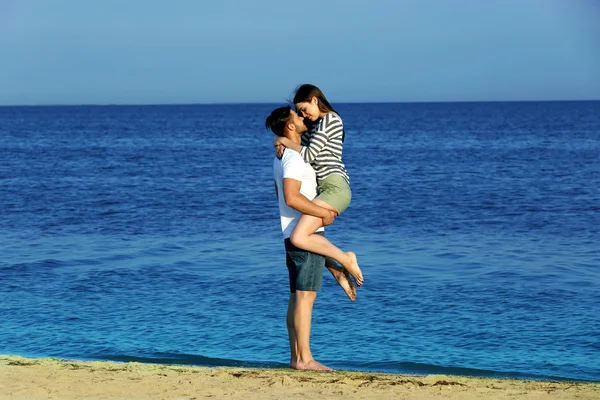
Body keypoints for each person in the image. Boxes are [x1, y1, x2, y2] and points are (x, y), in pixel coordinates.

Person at [266, 105, 351, 371]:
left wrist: (279, 140)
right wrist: (322, 213)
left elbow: (279, 196)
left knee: (296, 297)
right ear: (290, 126)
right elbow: (291, 197)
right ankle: (305, 359)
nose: (303, 118)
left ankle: (296, 358)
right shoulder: (292, 159)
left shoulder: (283, 156)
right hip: (302, 236)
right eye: (298, 116)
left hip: (291, 236)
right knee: (305, 299)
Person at [273, 84, 364, 286]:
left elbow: (308, 153)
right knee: (305, 237)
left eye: (304, 109)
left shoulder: (331, 120)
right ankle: (337, 269)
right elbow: (296, 140)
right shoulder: (315, 126)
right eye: (299, 113)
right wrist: (280, 139)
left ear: (315, 100)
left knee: (299, 237)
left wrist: (284, 141)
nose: (303, 115)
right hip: (324, 189)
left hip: (335, 187)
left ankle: (346, 259)